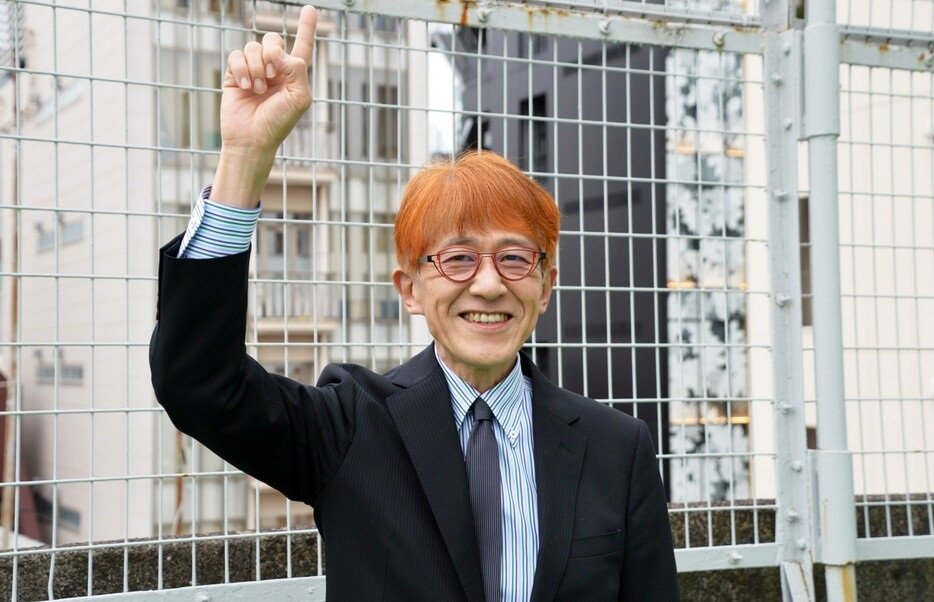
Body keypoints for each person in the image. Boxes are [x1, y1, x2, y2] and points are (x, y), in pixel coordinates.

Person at [149, 5, 679, 601]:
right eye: (458, 258)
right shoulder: (352, 427)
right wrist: (245, 158)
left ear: (546, 284)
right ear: (410, 290)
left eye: (514, 258)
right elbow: (197, 381)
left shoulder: (617, 448)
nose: (488, 285)